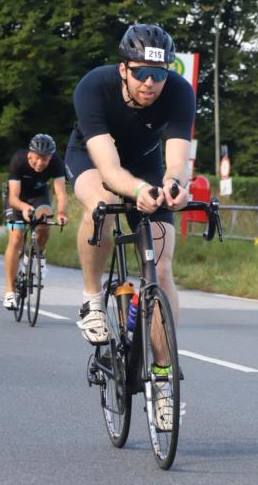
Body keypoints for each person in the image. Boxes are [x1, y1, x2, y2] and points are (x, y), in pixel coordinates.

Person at [64, 24, 195, 430]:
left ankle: (162, 381)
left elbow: (176, 161)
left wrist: (176, 186)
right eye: (141, 73)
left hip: (146, 165)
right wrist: (137, 190)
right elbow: (108, 168)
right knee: (101, 204)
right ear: (124, 69)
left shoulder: (179, 92)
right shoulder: (94, 87)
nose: (151, 83)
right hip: (95, 160)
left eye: (160, 74)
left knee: (161, 263)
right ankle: (91, 299)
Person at [3, 134, 68, 309]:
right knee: (16, 237)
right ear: (30, 154)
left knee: (46, 220)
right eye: (37, 158)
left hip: (39, 195)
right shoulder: (18, 160)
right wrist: (23, 208)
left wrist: (62, 213)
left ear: (51, 157)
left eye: (45, 159)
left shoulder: (56, 163)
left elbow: (61, 192)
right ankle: (9, 293)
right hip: (17, 198)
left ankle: (38, 254)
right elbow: (14, 197)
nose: (40, 163)